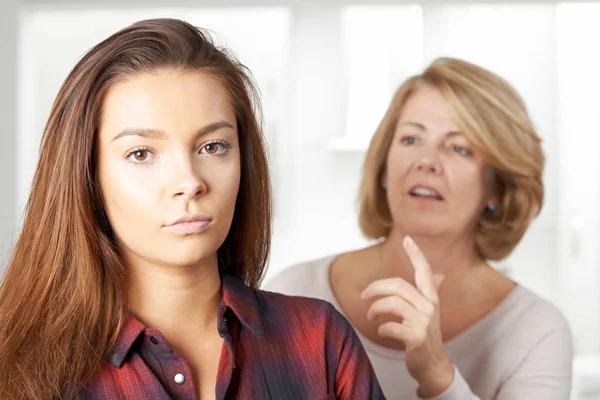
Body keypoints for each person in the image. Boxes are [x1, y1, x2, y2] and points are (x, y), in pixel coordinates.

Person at [0, 18, 384, 400]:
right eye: (141, 154)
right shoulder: (22, 370)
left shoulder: (320, 341)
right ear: (87, 176)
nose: (189, 181)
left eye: (212, 146)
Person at [264, 57, 573, 399]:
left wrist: (438, 375)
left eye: (459, 147)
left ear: (496, 190)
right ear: (384, 168)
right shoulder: (294, 294)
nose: (427, 161)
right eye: (411, 140)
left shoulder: (537, 332)